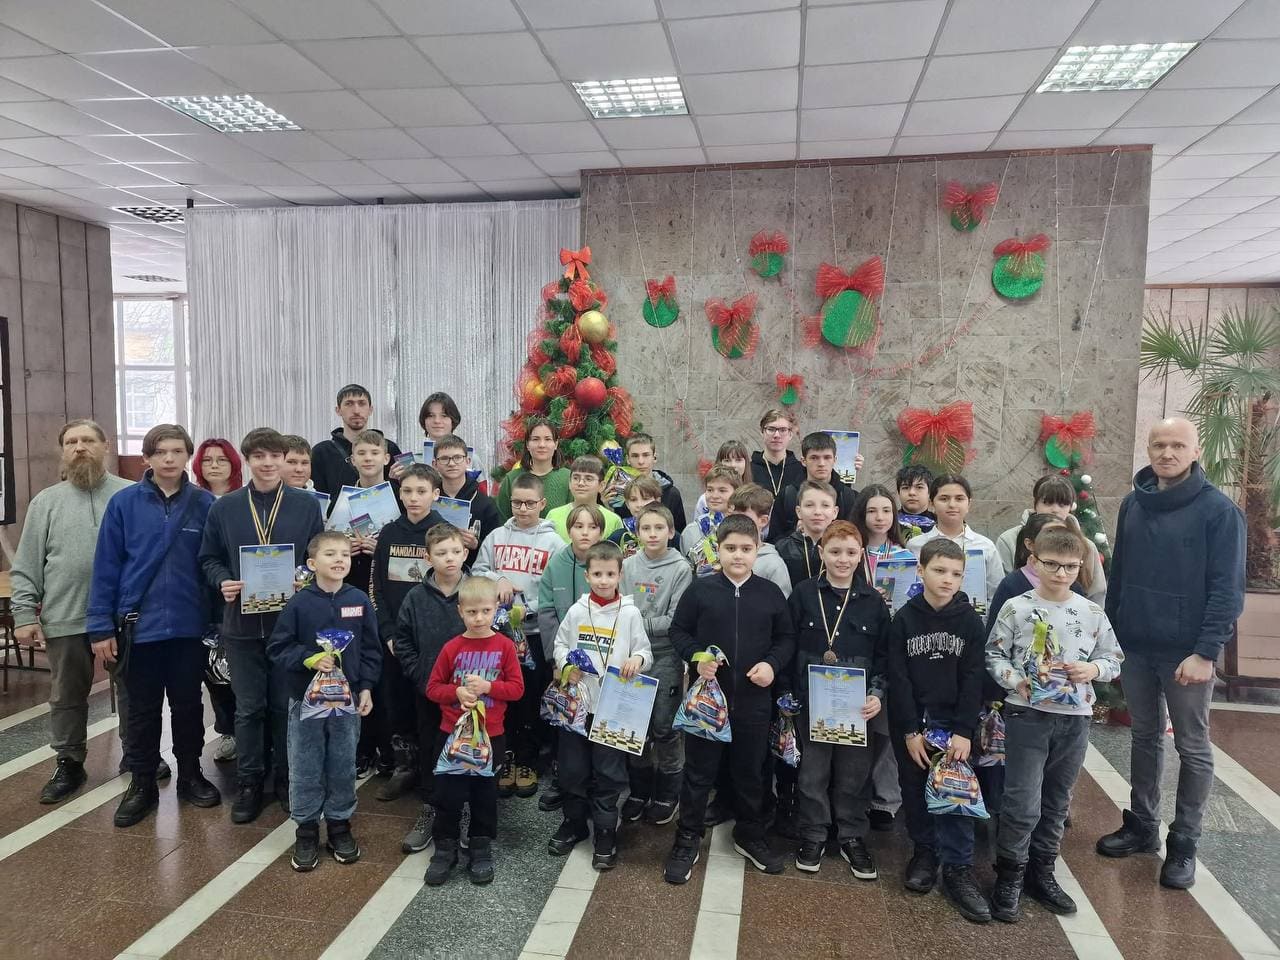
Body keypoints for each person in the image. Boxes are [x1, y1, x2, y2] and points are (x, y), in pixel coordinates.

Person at [1095, 417, 1245, 890]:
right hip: (1136, 647)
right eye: (1159, 444)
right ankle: (1143, 826)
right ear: (1149, 449)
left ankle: (1184, 842)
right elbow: (1119, 576)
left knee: (1192, 747)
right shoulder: (1132, 504)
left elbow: (1227, 591)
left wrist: (1206, 652)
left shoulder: (1220, 511)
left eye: (1178, 445)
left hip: (1187, 654)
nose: (1167, 452)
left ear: (1195, 452)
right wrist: (1111, 637)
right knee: (1143, 736)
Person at [86, 424, 220, 828]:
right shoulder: (124, 504)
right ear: (147, 458)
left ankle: (191, 774)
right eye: (160, 451)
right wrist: (100, 627)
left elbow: (214, 563)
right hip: (138, 627)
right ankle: (142, 782)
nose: (169, 458)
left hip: (188, 626)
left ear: (188, 456)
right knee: (142, 711)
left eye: (177, 451)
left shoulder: (205, 504)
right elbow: (106, 566)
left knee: (188, 706)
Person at [987, 525, 1123, 922]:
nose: (1061, 573)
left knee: (1057, 799)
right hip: (1027, 714)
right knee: (1021, 800)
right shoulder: (1016, 607)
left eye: (1070, 566)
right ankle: (1010, 873)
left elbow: (1113, 658)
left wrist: (1092, 669)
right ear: (1034, 561)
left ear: (1080, 566)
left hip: (1074, 718)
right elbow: (994, 655)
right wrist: (1017, 681)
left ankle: (1042, 871)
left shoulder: (1091, 612)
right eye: (1052, 564)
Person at [199, 427, 325, 824]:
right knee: (249, 708)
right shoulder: (226, 507)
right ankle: (250, 782)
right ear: (248, 460)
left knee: (285, 706)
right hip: (241, 626)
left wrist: (306, 577)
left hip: (290, 626)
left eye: (275, 456)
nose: (268, 463)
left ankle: (286, 779)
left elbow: (317, 556)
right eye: (259, 456)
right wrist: (223, 580)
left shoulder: (306, 505)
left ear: (284, 459)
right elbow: (208, 558)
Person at [665, 514, 795, 883]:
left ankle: (750, 833)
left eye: (746, 548)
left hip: (753, 702)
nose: (738, 555)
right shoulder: (701, 590)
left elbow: (786, 638)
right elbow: (679, 631)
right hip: (708, 702)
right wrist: (696, 657)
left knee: (750, 772)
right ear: (718, 550)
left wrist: (771, 664)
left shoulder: (770, 594)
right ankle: (687, 838)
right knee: (698, 773)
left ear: (758, 550)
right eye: (730, 548)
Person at [12, 420, 135, 804]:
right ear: (63, 450)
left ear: (105, 445)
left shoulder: (131, 496)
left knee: (133, 689)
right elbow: (27, 565)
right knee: (66, 694)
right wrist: (24, 615)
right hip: (65, 615)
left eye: (87, 440)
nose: (79, 447)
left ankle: (137, 754)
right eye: (71, 442)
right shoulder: (46, 502)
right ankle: (69, 762)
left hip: (122, 618)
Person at [888, 538, 990, 923]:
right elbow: (898, 679)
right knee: (914, 789)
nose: (948, 579)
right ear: (921, 571)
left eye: (956, 574)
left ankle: (959, 869)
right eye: (939, 570)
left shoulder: (970, 622)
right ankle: (925, 852)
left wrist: (964, 730)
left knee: (956, 795)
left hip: (953, 725)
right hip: (915, 723)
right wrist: (909, 730)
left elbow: (974, 678)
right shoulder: (903, 620)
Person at [267, 531, 381, 871]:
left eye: (345, 554)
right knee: (305, 761)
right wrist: (309, 658)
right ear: (312, 563)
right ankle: (305, 828)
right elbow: (278, 647)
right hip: (305, 700)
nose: (339, 559)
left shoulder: (359, 600)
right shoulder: (299, 603)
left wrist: (366, 687)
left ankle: (339, 824)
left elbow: (371, 649)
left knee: (343, 760)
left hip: (347, 701)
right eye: (330, 554)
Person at [786, 521, 888, 878]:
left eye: (850, 552)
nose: (842, 559)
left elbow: (884, 655)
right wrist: (787, 693)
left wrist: (877, 693)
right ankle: (813, 833)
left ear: (861, 556)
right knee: (812, 772)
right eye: (835, 551)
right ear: (821, 553)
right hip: (812, 702)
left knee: (853, 774)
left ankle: (851, 835)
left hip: (857, 708)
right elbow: (788, 643)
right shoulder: (803, 594)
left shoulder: (873, 602)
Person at [550, 541, 652, 869]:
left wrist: (637, 660)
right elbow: (560, 644)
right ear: (587, 575)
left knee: (609, 772)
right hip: (578, 705)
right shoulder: (578, 611)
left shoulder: (630, 613)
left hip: (613, 709)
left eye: (610, 574)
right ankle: (574, 822)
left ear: (620, 574)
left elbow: (645, 651)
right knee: (572, 768)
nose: (603, 580)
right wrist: (566, 664)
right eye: (597, 574)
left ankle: (606, 830)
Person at [423, 576, 524, 886]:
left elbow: (517, 689)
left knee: (485, 794)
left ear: (496, 610)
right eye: (472, 612)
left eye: (486, 611)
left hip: (491, 735)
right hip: (452, 734)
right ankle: (445, 848)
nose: (479, 618)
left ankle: (480, 846)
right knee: (448, 793)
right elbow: (432, 688)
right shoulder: (452, 648)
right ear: (460, 611)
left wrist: (489, 687)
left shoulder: (505, 646)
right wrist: (456, 692)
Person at [472, 471, 563, 800]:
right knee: (501, 695)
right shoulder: (497, 536)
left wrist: (531, 609)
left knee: (530, 696)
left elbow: (556, 590)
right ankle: (506, 756)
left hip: (534, 634)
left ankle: (528, 760)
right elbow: (478, 571)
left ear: (542, 503)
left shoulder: (554, 543)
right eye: (516, 503)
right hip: (498, 634)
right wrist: (497, 579)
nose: (523, 509)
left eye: (529, 503)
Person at [368, 462, 444, 803]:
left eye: (421, 491)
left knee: (428, 708)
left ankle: (432, 771)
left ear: (435, 494)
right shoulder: (389, 533)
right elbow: (377, 588)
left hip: (430, 641)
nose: (414, 498)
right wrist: (388, 632)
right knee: (396, 703)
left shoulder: (443, 534)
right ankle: (404, 766)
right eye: (408, 491)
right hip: (394, 641)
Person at [393, 523, 469, 854]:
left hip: (470, 697)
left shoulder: (476, 592)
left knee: (467, 751)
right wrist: (421, 676)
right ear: (427, 557)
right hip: (430, 692)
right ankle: (431, 809)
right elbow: (403, 641)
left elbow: (497, 634)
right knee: (430, 749)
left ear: (465, 554)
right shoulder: (415, 597)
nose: (449, 558)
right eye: (441, 553)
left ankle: (465, 811)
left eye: (455, 551)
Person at [620, 503, 692, 826]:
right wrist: (631, 630)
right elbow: (621, 608)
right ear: (637, 532)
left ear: (671, 532)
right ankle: (639, 790)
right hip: (632, 655)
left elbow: (675, 619)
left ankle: (668, 791)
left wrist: (636, 624)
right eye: (645, 528)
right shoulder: (627, 565)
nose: (652, 534)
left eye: (659, 528)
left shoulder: (681, 568)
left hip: (665, 656)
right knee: (635, 727)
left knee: (665, 727)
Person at [535, 504, 606, 813]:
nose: (585, 532)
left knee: (597, 725)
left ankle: (598, 785)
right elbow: (547, 613)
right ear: (569, 530)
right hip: (567, 665)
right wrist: (558, 662)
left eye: (592, 527)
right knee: (566, 725)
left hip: (601, 663)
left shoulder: (609, 562)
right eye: (578, 526)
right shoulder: (556, 564)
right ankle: (565, 781)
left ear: (601, 532)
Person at [850, 484, 913, 831]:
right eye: (872, 511)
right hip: (859, 645)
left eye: (886, 510)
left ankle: (886, 799)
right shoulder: (850, 552)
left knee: (888, 727)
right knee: (860, 723)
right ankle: (855, 793)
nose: (879, 517)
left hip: (896, 645)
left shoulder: (906, 555)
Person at [193, 438, 242, 764]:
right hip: (204, 594)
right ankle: (228, 731)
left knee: (243, 670)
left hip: (242, 593)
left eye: (221, 459)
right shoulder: (193, 501)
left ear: (234, 464)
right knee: (214, 670)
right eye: (207, 459)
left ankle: (253, 732)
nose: (214, 465)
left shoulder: (245, 499)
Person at [995, 474, 1107, 603]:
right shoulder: (1009, 540)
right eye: (1047, 503)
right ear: (1035, 503)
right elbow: (1002, 587)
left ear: (1070, 507)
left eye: (1063, 504)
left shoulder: (1086, 545)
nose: (1055, 510)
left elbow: (1097, 593)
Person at [906, 474, 1003, 611]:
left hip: (974, 620)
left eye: (959, 499)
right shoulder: (915, 545)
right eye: (944, 499)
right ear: (931, 504)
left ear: (969, 504)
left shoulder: (985, 546)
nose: (952, 504)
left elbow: (996, 594)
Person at [310, 384, 403, 497]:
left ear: (370, 410)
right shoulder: (322, 452)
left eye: (362, 403)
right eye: (349, 404)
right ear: (338, 410)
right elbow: (317, 497)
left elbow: (406, 493)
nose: (356, 411)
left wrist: (394, 482)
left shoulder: (390, 448)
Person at [771, 432, 858, 543]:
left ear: (835, 460)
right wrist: (795, 534)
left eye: (827, 457)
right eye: (814, 458)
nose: (821, 463)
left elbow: (858, 539)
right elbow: (773, 540)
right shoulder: (787, 495)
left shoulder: (849, 497)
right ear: (803, 461)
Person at [433, 433, 502, 567]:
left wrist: (476, 544)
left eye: (458, 458)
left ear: (468, 461)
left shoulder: (486, 504)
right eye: (444, 458)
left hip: (472, 572)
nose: (451, 463)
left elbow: (496, 549)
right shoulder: (429, 499)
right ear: (435, 464)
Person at [496, 417, 572, 519]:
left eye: (548, 439)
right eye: (536, 439)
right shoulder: (511, 479)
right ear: (527, 444)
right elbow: (502, 521)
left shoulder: (568, 478)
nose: (542, 445)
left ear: (556, 444)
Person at [751, 408, 805, 541]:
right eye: (771, 429)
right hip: (754, 539)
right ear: (762, 432)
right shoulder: (749, 469)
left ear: (791, 434)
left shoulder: (802, 470)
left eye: (783, 430)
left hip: (793, 540)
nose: (776, 435)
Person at [728, 484, 792, 596]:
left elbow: (781, 602)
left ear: (763, 521)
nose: (737, 522)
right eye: (734, 516)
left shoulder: (773, 565)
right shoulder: (724, 554)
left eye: (744, 517)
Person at [680, 465, 740, 578]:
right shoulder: (692, 531)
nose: (714, 496)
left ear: (736, 493)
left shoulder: (744, 528)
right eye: (710, 490)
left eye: (722, 490)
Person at [620, 433, 687, 535]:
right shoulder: (618, 493)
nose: (641, 461)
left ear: (654, 457)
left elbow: (679, 533)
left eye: (646, 455)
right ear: (628, 459)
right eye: (635, 456)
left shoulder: (671, 494)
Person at [546, 455, 623, 543]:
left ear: (601, 486)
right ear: (569, 483)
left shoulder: (613, 520)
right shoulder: (553, 516)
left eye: (588, 479)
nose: (581, 483)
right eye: (576, 478)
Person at [776, 480, 839, 588]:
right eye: (809, 505)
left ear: (835, 512)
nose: (817, 512)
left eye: (825, 505)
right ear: (799, 511)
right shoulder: (783, 548)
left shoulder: (843, 549)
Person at [694, 440, 751, 523]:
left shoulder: (753, 498)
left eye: (738, 460)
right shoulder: (704, 500)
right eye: (727, 460)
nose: (733, 465)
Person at [610, 475, 664, 557]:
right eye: (633, 500)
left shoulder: (667, 535)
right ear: (627, 504)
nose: (639, 505)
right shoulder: (618, 537)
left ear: (658, 501)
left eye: (645, 498)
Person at [895, 465, 936, 539]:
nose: (912, 493)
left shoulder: (940, 524)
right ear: (898, 493)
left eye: (919, 487)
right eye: (905, 488)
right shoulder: (889, 522)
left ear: (930, 492)